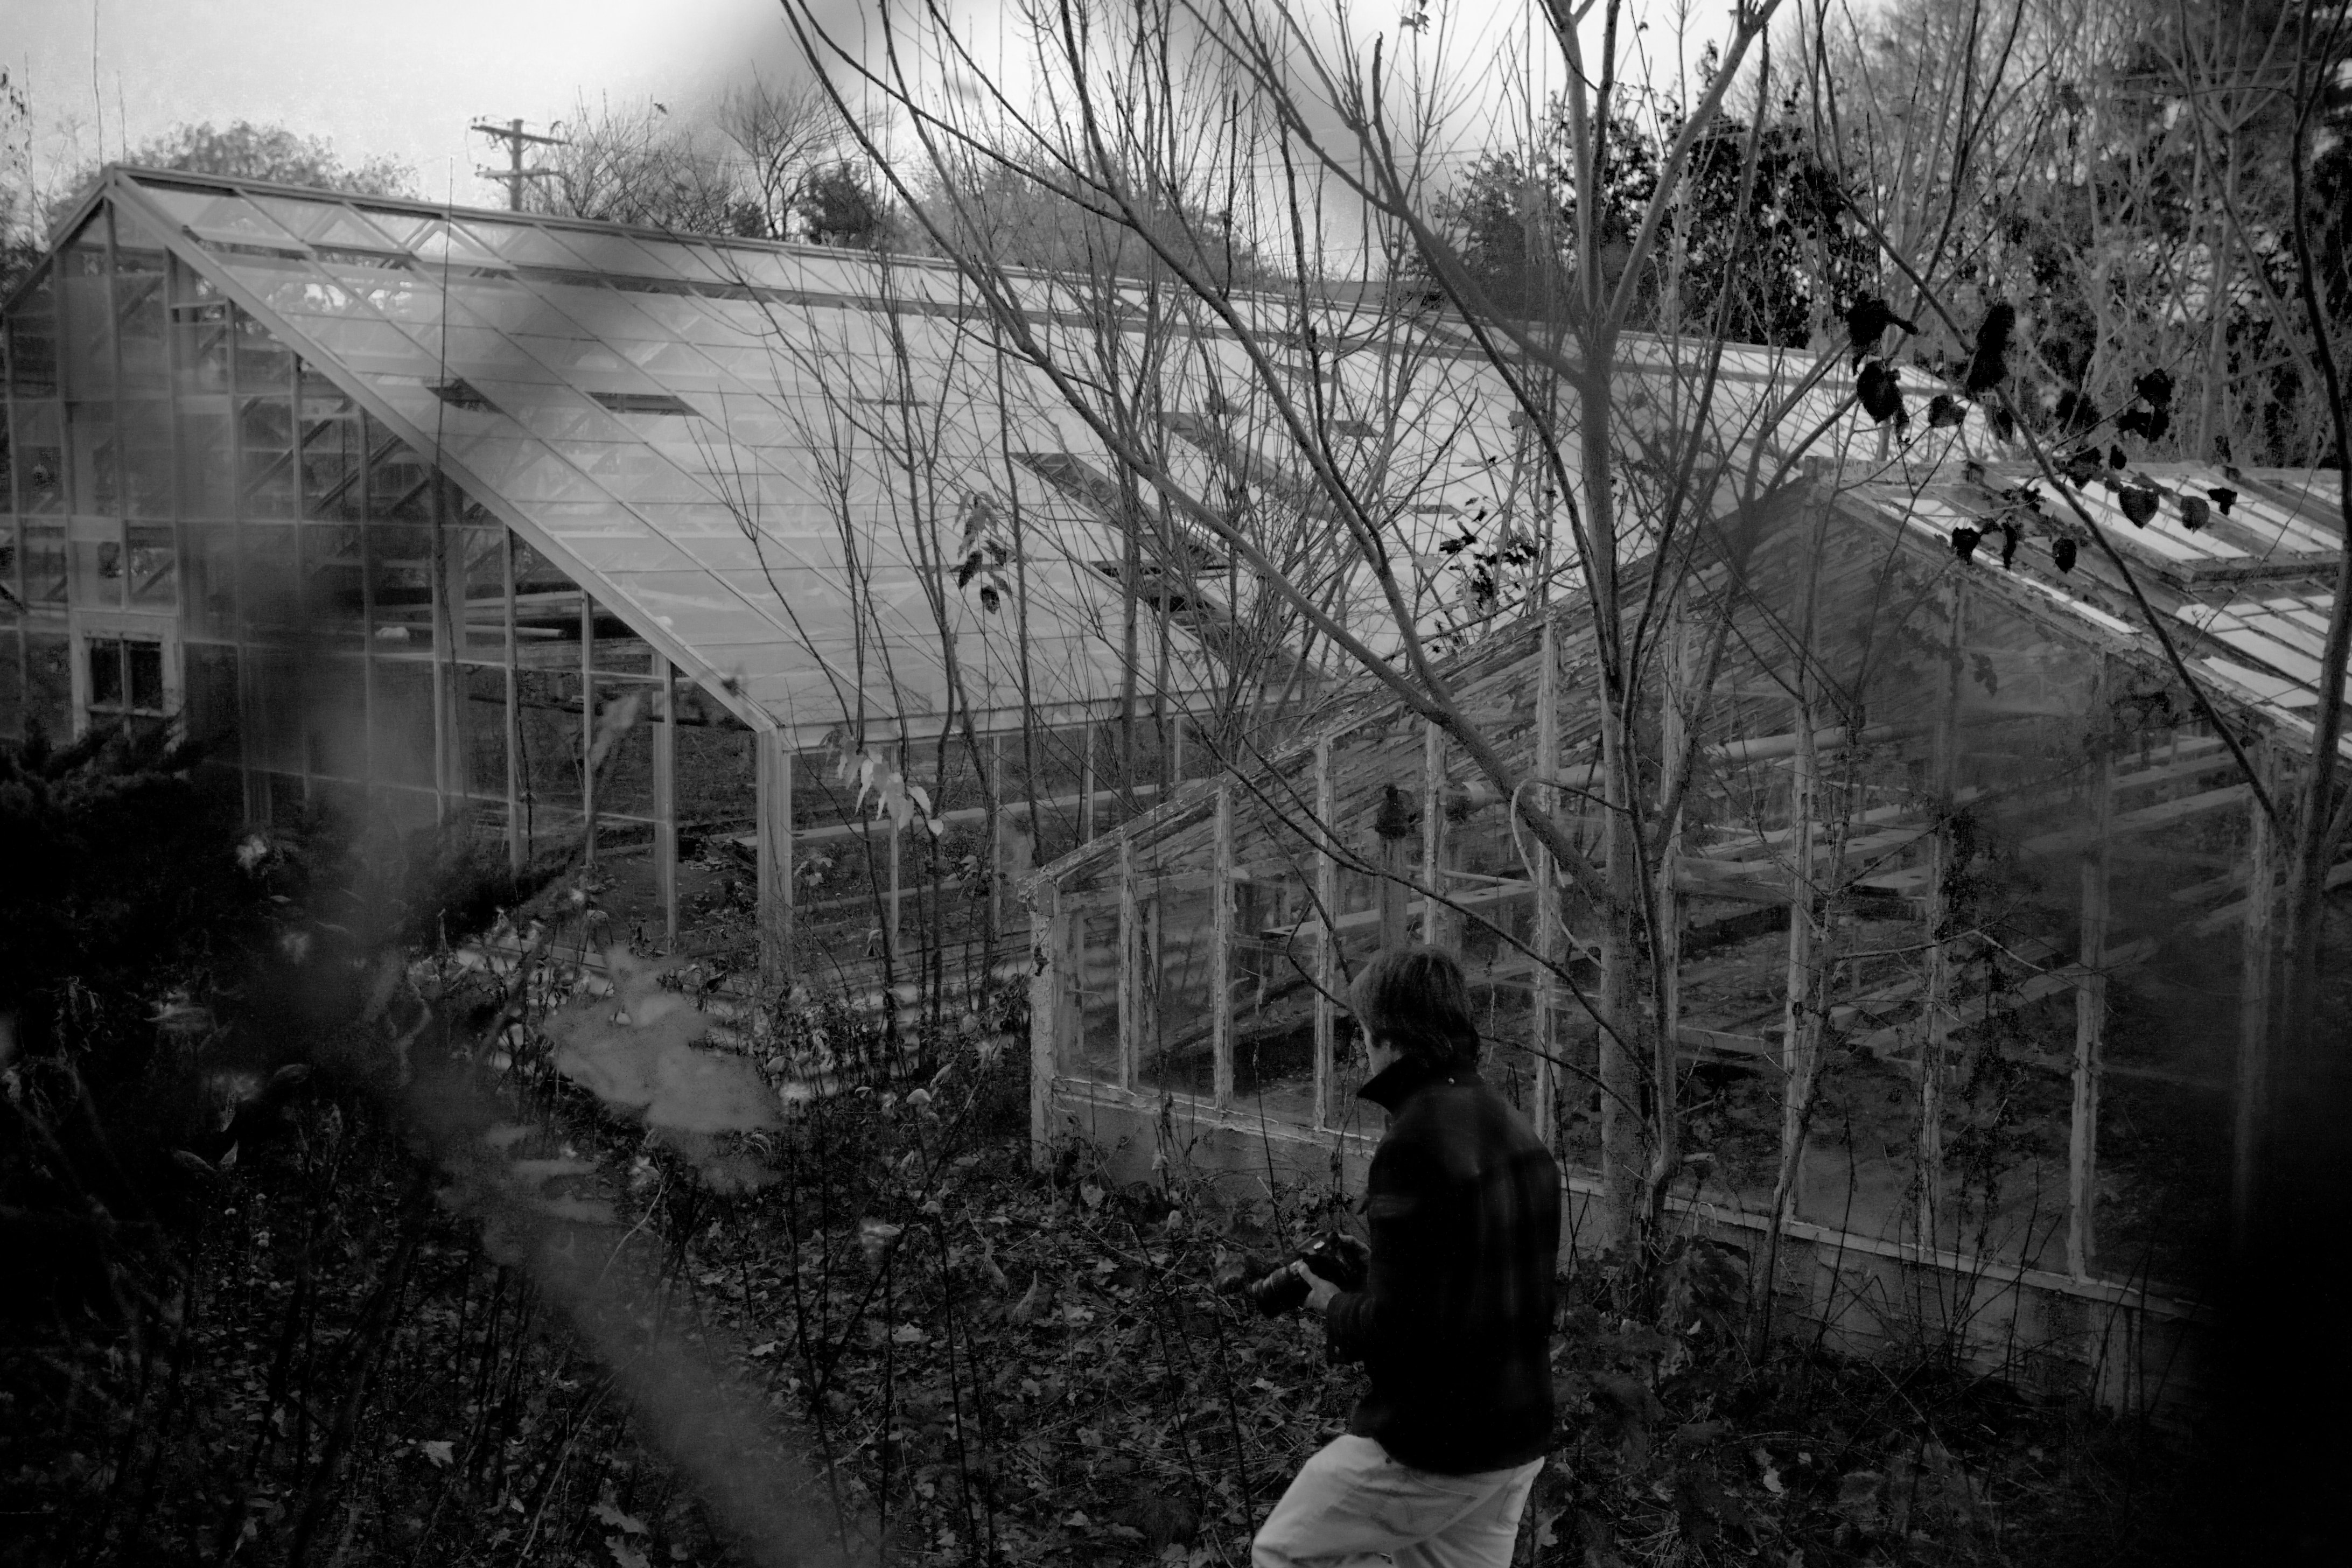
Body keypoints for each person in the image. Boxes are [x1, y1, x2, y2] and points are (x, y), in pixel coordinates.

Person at [1252, 946, 1563, 1568]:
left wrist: (1331, 1302)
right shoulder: (1514, 1127)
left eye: (1363, 1029)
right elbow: (1469, 1288)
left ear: (1390, 1036)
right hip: (1517, 1435)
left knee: (1285, 1551)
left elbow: (1402, 1329)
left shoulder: (1413, 1143)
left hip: (1438, 1444)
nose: (1360, 1046)